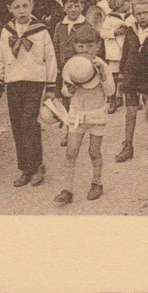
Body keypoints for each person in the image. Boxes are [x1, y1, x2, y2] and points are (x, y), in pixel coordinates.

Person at [0, 0, 57, 188]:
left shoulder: (40, 31)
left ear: (32, 6)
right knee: (17, 125)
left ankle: (37, 166)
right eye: (17, 7)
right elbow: (1, 57)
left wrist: (51, 86)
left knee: (29, 122)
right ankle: (25, 168)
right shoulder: (7, 31)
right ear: (9, 9)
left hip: (34, 82)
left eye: (25, 6)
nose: (22, 11)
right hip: (13, 83)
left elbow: (50, 58)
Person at [54, 23, 113, 206]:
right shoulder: (73, 66)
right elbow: (64, 89)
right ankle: (67, 189)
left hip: (96, 115)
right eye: (80, 46)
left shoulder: (101, 65)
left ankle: (97, 183)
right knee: (71, 152)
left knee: (94, 151)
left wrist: (103, 75)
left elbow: (110, 92)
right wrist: (69, 90)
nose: (84, 50)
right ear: (75, 47)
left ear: (98, 46)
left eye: (89, 46)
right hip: (77, 114)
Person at [115, 0, 148, 162]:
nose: (142, 16)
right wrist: (121, 76)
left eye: (145, 12)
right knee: (130, 112)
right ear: (133, 14)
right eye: (138, 13)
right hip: (131, 76)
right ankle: (128, 145)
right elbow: (125, 53)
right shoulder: (130, 31)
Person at [100, 0, 133, 112]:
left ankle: (126, 97)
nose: (130, 4)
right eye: (127, 1)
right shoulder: (110, 18)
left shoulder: (131, 17)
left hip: (128, 51)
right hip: (114, 53)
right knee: (114, 76)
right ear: (119, 4)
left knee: (128, 75)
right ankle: (112, 100)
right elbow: (103, 33)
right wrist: (115, 32)